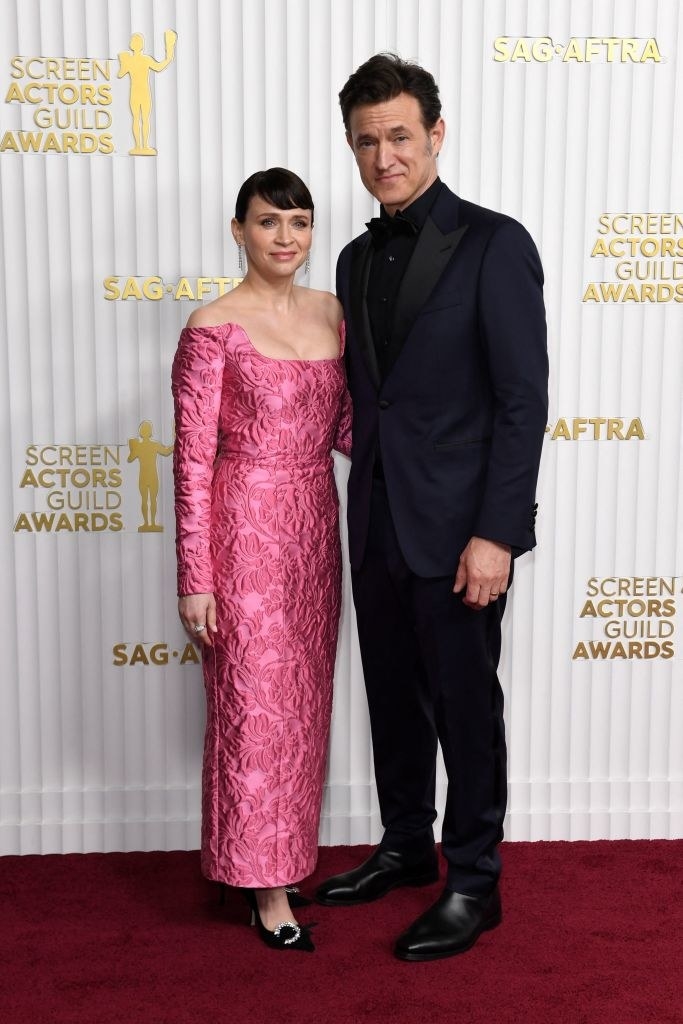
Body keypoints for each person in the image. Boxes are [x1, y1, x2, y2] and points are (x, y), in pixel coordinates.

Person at [314, 54, 549, 962]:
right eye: (367, 140)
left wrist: (496, 534)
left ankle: (476, 882)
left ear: (435, 135)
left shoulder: (495, 243)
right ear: (352, 146)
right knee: (393, 707)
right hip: (373, 523)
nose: (384, 155)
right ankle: (407, 846)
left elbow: (522, 402)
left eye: (400, 136)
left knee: (464, 708)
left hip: (460, 535)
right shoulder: (348, 255)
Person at [171, 167, 351, 953]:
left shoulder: (333, 314)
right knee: (253, 710)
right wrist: (195, 578)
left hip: (316, 527)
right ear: (238, 230)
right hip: (241, 532)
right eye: (270, 221)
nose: (287, 238)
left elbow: (349, 427)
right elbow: (189, 462)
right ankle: (263, 887)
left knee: (304, 709)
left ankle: (280, 857)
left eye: (300, 222)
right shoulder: (212, 324)